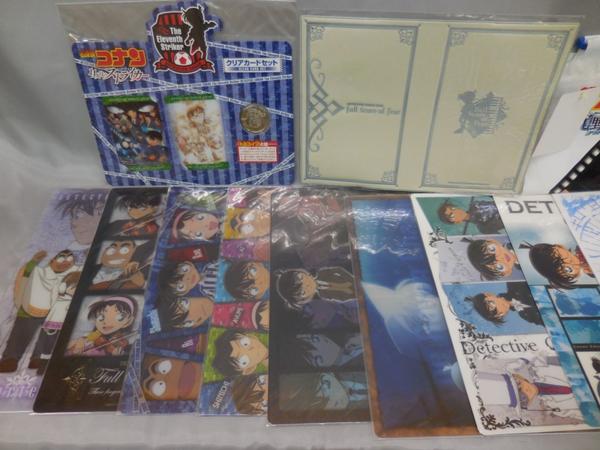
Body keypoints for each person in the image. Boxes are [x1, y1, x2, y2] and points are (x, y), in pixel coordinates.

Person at [0, 250, 79, 372]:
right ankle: (10, 359)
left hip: (56, 311)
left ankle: (38, 358)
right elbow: (26, 274)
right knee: (21, 332)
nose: (64, 263)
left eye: (69, 260)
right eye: (61, 259)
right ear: (52, 260)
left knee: (49, 334)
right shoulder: (39, 272)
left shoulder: (73, 275)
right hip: (30, 308)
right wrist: (34, 262)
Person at [66, 296, 137, 356]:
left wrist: (117, 353)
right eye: (101, 317)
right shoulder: (96, 334)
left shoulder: (122, 341)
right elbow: (87, 339)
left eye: (119, 317)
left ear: (128, 321)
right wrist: (80, 341)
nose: (106, 322)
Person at [520, 242, 595, 289]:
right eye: (568, 269)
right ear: (576, 275)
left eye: (560, 256)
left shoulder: (583, 245)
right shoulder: (590, 271)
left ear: (559, 246)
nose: (568, 262)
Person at [465, 282, 543, 326]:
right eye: (498, 315)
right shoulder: (528, 316)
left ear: (489, 294)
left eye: (492, 305)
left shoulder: (514, 284)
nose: (500, 310)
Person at [274, 267, 356, 306]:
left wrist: (352, 280)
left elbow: (338, 270)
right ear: (304, 299)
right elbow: (339, 298)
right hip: (353, 295)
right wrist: (352, 295)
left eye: (301, 278)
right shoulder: (323, 295)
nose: (307, 285)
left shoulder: (322, 273)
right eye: (303, 292)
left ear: (302, 272)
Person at [437, 198, 504, 234]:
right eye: (451, 215)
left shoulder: (475, 204)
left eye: (453, 208)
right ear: (457, 222)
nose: (456, 211)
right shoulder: (484, 228)